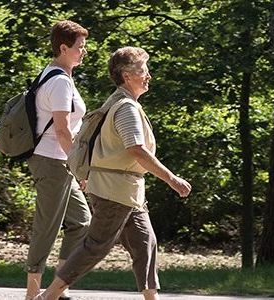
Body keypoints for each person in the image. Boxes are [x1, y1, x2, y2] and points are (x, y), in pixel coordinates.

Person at [33, 46, 191, 300]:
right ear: (127, 75)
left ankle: (152, 298)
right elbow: (136, 149)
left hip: (129, 190)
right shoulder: (126, 107)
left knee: (144, 243)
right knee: (96, 246)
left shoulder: (120, 102)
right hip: (115, 189)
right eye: (143, 70)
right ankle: (48, 296)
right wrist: (171, 179)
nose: (149, 75)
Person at [25, 20, 92, 300]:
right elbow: (63, 130)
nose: (84, 52)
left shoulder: (55, 75)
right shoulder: (60, 82)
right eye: (79, 47)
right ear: (63, 48)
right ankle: (32, 293)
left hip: (59, 162)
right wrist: (81, 169)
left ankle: (58, 288)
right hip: (52, 162)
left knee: (82, 222)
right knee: (47, 228)